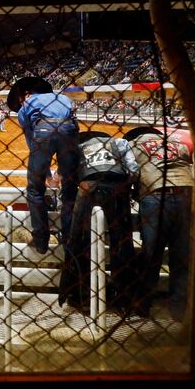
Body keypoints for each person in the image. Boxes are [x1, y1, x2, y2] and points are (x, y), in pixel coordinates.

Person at [58, 131, 142, 315]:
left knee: (80, 240)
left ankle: (82, 295)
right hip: (116, 189)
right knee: (121, 242)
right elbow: (134, 170)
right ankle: (124, 298)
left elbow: (68, 175)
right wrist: (126, 186)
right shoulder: (119, 143)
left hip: (88, 189)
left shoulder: (79, 147)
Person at [124, 126, 194, 321]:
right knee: (181, 256)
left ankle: (143, 305)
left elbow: (130, 172)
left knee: (151, 254)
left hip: (155, 195)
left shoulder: (132, 144)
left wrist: (133, 192)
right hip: (187, 192)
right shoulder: (177, 142)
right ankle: (179, 309)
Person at [7, 76, 80, 254]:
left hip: (42, 130)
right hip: (69, 131)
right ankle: (69, 237)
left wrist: (46, 175)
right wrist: (60, 174)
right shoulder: (64, 98)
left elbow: (33, 143)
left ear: (26, 94)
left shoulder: (28, 103)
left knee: (34, 189)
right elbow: (74, 133)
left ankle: (41, 239)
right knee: (70, 189)